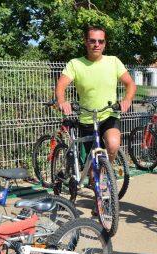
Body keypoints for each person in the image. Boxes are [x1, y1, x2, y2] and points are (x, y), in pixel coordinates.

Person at [55, 25, 136, 164]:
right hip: (87, 118)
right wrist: (62, 101)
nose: (97, 44)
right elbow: (61, 86)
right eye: (92, 41)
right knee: (92, 164)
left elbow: (130, 84)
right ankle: (95, 177)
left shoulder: (114, 61)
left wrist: (127, 99)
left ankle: (106, 173)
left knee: (113, 144)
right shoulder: (75, 64)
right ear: (86, 42)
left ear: (105, 43)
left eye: (101, 41)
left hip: (109, 114)